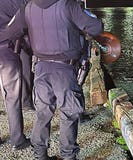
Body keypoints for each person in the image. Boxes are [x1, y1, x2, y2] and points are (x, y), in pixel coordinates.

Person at [0, 0, 103, 159]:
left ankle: (40, 155)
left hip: (41, 69)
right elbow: (96, 27)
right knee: (68, 115)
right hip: (66, 70)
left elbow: (12, 32)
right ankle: (68, 156)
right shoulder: (69, 5)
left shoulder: (27, 8)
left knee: (42, 114)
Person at [0, 0, 31, 150]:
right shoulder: (17, 2)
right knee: (12, 97)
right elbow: (24, 26)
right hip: (5, 51)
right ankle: (17, 139)